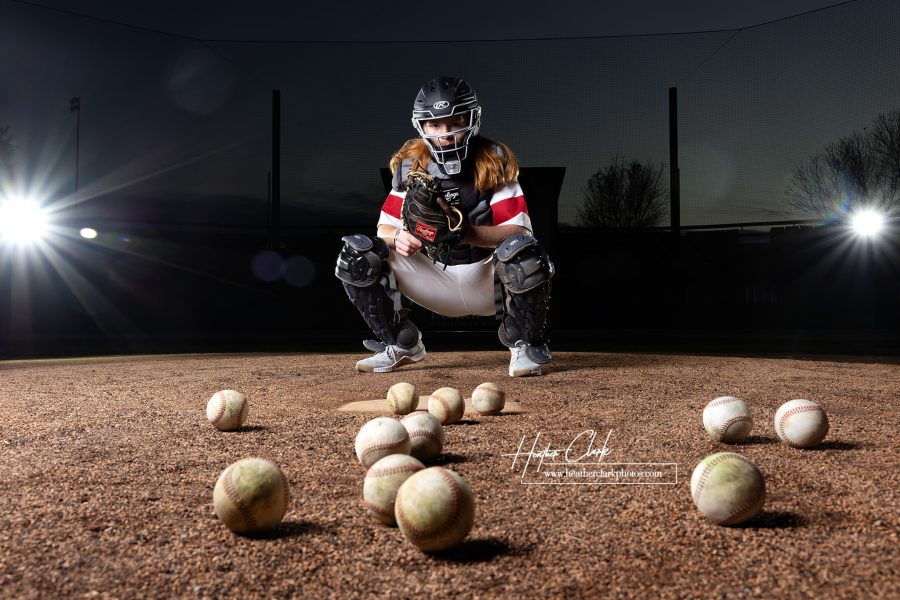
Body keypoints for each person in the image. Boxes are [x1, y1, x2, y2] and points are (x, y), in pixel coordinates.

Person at [335, 76, 554, 377]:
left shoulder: (493, 160)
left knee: (525, 256)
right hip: (433, 277)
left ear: (472, 119)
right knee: (357, 255)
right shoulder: (412, 165)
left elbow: (519, 233)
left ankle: (525, 345)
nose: (445, 133)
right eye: (435, 125)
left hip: (486, 281)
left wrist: (463, 233)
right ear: (421, 126)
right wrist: (400, 236)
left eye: (455, 122)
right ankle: (401, 344)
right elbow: (383, 229)